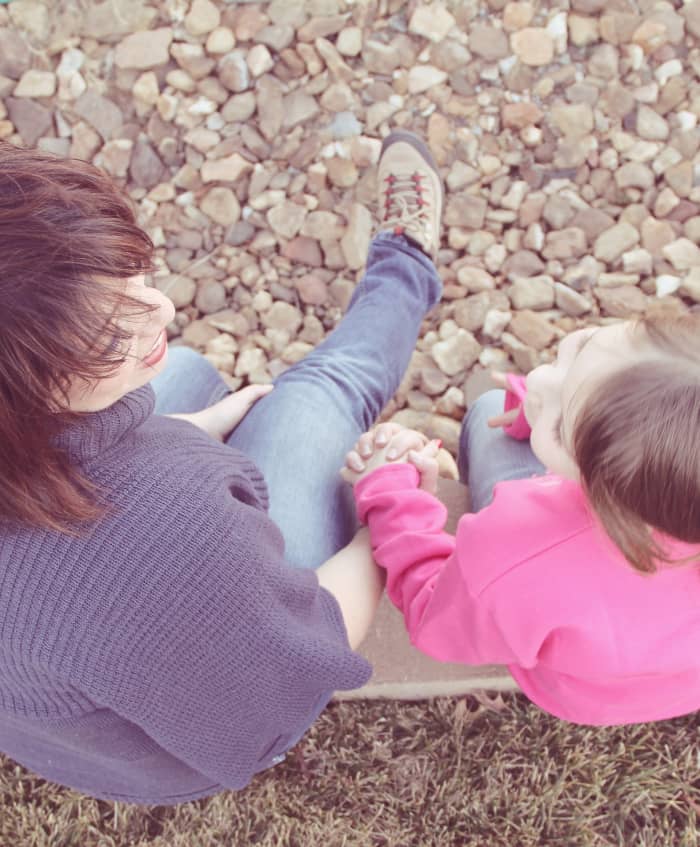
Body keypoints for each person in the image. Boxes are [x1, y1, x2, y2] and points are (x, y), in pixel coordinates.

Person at [0, 131, 444, 804]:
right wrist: (382, 516)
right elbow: (300, 653)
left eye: (135, 277)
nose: (163, 308)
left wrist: (180, 430)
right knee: (318, 393)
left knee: (183, 372)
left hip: (77, 716)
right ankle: (406, 261)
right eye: (108, 335)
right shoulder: (177, 529)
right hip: (201, 729)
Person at [343, 310, 700, 726]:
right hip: (657, 686)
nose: (541, 379)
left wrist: (394, 496)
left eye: (562, 427)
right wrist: (560, 418)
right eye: (582, 346)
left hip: (570, 690)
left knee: (488, 410)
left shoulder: (519, 553)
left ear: (608, 495)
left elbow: (431, 615)